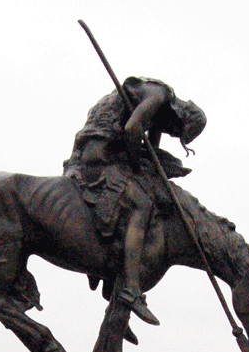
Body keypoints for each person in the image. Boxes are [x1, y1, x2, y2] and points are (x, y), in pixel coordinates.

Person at [64, 77, 207, 325]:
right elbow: (132, 129)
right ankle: (130, 289)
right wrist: (136, 169)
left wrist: (154, 170)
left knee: (150, 190)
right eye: (176, 131)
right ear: (179, 117)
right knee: (141, 205)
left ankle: (112, 286)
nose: (172, 134)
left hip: (107, 147)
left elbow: (151, 146)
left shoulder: (159, 108)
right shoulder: (159, 96)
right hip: (100, 150)